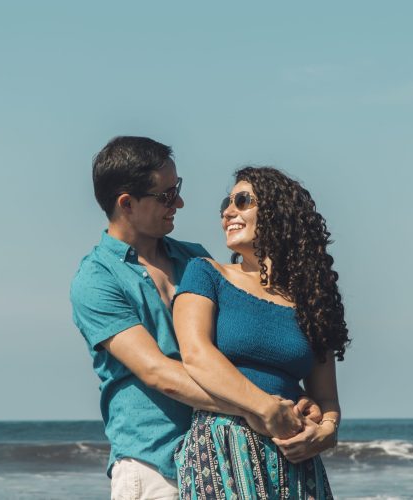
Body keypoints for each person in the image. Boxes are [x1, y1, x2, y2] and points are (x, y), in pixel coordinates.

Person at [70, 138, 317, 500]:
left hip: (224, 457)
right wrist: (261, 407)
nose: (180, 203)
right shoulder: (96, 280)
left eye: (178, 189)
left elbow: (245, 345)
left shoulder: (196, 260)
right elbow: (159, 373)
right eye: (167, 196)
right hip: (154, 465)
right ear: (127, 204)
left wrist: (310, 410)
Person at [172, 166, 350, 499]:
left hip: (296, 454)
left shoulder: (313, 300)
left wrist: (326, 432)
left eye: (242, 201)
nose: (228, 212)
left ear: (278, 212)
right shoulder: (205, 273)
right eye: (226, 204)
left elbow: (326, 399)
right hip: (224, 443)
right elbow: (196, 356)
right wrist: (266, 408)